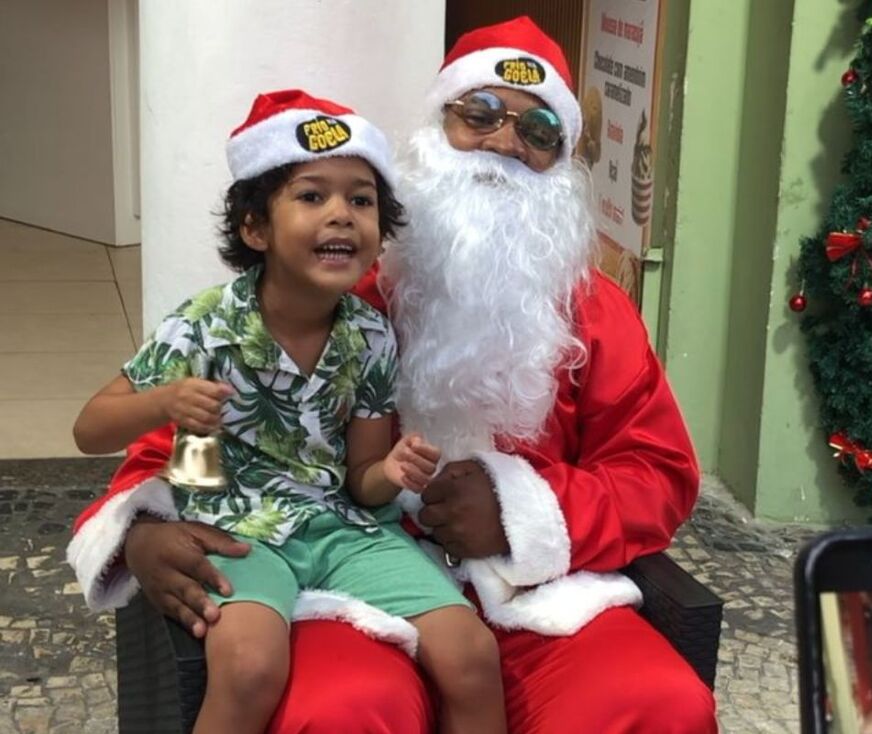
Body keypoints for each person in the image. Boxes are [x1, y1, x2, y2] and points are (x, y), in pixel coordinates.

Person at [67, 17, 717, 733]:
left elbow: (658, 474)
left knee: (661, 704)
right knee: (342, 711)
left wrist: (520, 512)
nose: (505, 142)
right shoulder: (339, 294)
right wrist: (148, 532)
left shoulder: (597, 311)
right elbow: (179, 433)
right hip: (349, 572)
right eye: (480, 116)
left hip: (539, 592)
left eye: (538, 131)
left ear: (562, 161)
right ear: (435, 132)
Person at [69, 89, 506, 734]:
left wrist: (395, 469)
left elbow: (361, 479)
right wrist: (164, 401)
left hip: (343, 528)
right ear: (255, 228)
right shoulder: (203, 325)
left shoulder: (370, 337)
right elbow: (88, 428)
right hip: (234, 528)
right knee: (248, 666)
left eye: (361, 200)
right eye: (311, 196)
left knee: (472, 654)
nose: (341, 215)